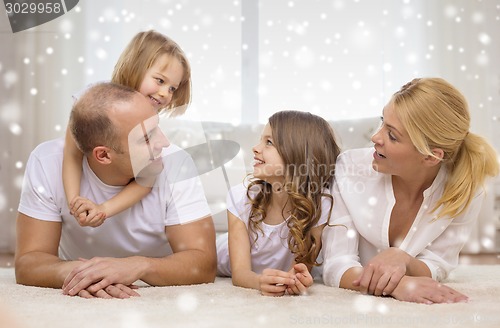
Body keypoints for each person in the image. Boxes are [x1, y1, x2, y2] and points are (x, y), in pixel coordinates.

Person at [15, 82, 216, 299]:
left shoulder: (176, 164)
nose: (164, 143)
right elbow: (29, 262)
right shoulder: (46, 162)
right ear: (103, 155)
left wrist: (138, 267)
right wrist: (81, 274)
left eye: (157, 128)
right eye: (147, 138)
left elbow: (204, 264)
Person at [322, 77, 499, 304]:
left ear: (431, 156)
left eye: (392, 135)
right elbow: (336, 264)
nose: (375, 137)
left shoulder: (464, 189)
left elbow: (438, 263)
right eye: (382, 122)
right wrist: (401, 284)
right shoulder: (349, 169)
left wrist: (403, 259)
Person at [63, 30, 191, 227]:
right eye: (160, 80)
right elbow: (72, 154)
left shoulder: (151, 119)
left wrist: (103, 209)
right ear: (135, 67)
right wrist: (75, 201)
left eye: (172, 88)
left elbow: (146, 180)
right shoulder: (91, 101)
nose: (165, 93)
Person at [217, 110, 341, 296]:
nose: (255, 148)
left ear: (298, 155)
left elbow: (300, 267)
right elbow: (240, 274)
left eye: (269, 142)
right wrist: (259, 282)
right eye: (261, 140)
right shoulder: (241, 197)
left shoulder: (320, 204)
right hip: (220, 257)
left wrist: (295, 279)